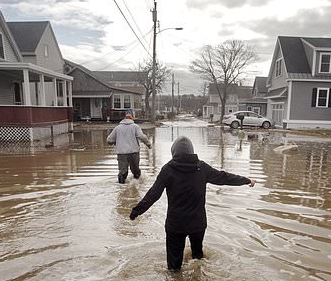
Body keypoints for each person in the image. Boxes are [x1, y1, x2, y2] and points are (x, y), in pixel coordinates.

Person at [129, 136, 256, 271]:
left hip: (175, 225)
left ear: (174, 152)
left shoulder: (168, 170)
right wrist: (247, 180)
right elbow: (224, 178)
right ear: (192, 151)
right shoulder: (202, 168)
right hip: (197, 224)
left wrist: (136, 211)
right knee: (197, 259)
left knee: (173, 268)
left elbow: (153, 194)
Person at [107, 112, 152, 183]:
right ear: (132, 119)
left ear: (124, 119)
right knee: (136, 171)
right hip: (133, 152)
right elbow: (142, 136)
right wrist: (148, 144)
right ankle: (136, 186)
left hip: (121, 153)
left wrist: (113, 142)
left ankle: (121, 188)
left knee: (122, 172)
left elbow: (109, 140)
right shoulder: (135, 127)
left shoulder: (117, 128)